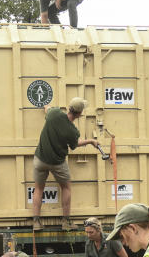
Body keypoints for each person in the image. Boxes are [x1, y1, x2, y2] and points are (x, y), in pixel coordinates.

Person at [31, 97, 99, 232]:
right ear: (79, 114)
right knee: (66, 187)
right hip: (57, 163)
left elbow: (47, 109)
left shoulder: (54, 114)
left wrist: (46, 106)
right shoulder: (73, 131)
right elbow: (75, 144)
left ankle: (36, 222)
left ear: (69, 108)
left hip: (40, 160)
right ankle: (66, 222)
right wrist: (91, 141)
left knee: (38, 189)